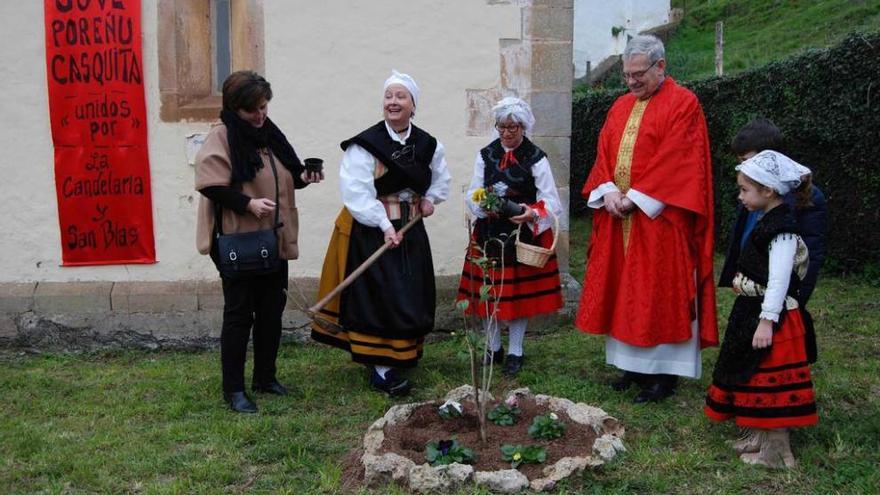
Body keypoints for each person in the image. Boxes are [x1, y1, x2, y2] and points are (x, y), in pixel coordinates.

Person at [575, 34, 718, 403]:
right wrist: (607, 190)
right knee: (624, 289)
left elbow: (679, 159)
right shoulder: (620, 106)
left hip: (660, 219)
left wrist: (636, 198)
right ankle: (632, 366)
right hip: (616, 217)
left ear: (661, 66)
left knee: (657, 292)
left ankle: (664, 375)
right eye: (626, 75)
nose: (632, 81)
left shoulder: (684, 103)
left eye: (639, 74)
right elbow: (604, 151)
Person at [310, 70, 451, 396]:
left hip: (411, 230)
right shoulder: (365, 146)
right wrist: (385, 226)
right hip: (374, 230)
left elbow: (440, 178)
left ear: (413, 105)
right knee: (380, 296)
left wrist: (430, 199)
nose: (393, 102)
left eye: (401, 97)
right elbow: (356, 192)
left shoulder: (428, 144)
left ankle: (401, 355)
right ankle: (381, 367)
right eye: (389, 96)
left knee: (410, 292)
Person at [195, 70, 323, 413]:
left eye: (264, 106)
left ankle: (265, 377)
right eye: (253, 109)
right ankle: (233, 390)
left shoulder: (268, 135)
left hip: (273, 238)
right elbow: (210, 184)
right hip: (239, 240)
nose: (261, 114)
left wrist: (306, 177)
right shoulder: (221, 136)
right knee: (239, 315)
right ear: (235, 108)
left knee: (270, 311)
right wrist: (247, 204)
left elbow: (288, 177)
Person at [705, 150, 818, 469]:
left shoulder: (782, 230)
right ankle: (757, 435)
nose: (740, 196)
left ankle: (777, 452)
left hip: (774, 318)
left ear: (768, 191)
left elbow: (780, 280)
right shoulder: (768, 219)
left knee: (770, 384)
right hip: (752, 312)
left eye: (745, 190)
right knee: (750, 375)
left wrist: (767, 321)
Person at [456, 97, 563, 376]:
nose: (506, 132)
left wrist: (530, 212)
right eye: (502, 127)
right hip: (489, 234)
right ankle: (494, 347)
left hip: (522, 236)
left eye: (513, 127)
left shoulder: (536, 157)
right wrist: (481, 204)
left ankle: (516, 350)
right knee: (489, 293)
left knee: (518, 296)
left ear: (523, 126)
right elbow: (473, 192)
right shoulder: (485, 155)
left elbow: (551, 201)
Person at [720, 118, 827, 309]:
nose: (743, 167)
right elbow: (742, 236)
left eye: (746, 161)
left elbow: (812, 253)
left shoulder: (808, 198)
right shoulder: (750, 193)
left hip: (781, 298)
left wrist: (797, 300)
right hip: (751, 293)